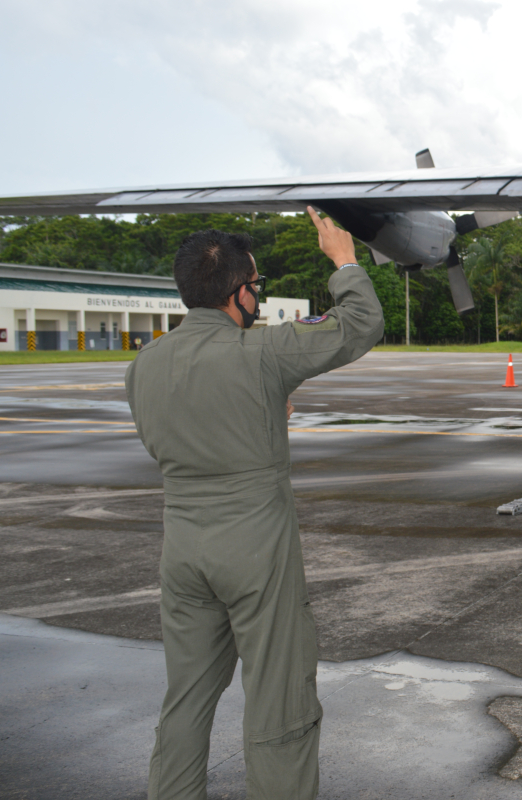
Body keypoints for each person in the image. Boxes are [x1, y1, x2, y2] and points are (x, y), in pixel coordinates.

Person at [125, 208, 384, 799]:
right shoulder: (262, 353)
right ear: (239, 292)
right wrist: (343, 260)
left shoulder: (143, 365)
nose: (258, 301)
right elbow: (360, 324)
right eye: (257, 288)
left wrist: (257, 414)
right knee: (280, 703)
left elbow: (165, 442)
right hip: (254, 554)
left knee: (185, 699)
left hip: (183, 553)